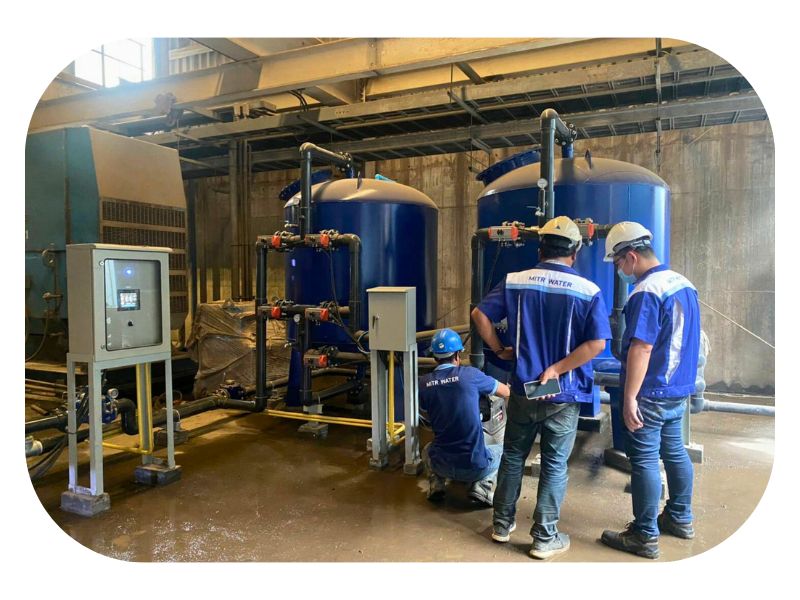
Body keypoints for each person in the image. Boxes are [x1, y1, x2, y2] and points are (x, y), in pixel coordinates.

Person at [472, 216, 611, 559]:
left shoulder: (515, 281)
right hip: (564, 392)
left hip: (523, 389)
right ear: (575, 252)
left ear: (540, 250)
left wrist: (498, 349)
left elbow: (479, 315)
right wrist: (558, 369)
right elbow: (596, 344)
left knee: (513, 456)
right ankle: (544, 539)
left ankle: (501, 525)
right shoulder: (588, 291)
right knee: (554, 464)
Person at [599, 222, 700, 560]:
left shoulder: (646, 291)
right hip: (678, 388)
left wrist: (629, 397)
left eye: (617, 263)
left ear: (631, 256)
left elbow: (641, 347)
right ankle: (680, 518)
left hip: (652, 390)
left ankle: (644, 536)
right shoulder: (683, 283)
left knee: (643, 460)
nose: (619, 270)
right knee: (675, 452)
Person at [419, 328, 510, 506]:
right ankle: (483, 486)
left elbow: (427, 412)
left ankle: (437, 485)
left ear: (435, 357)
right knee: (505, 450)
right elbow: (505, 392)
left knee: (427, 449)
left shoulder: (424, 383)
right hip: (475, 467)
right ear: (457, 355)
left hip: (442, 466)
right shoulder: (470, 375)